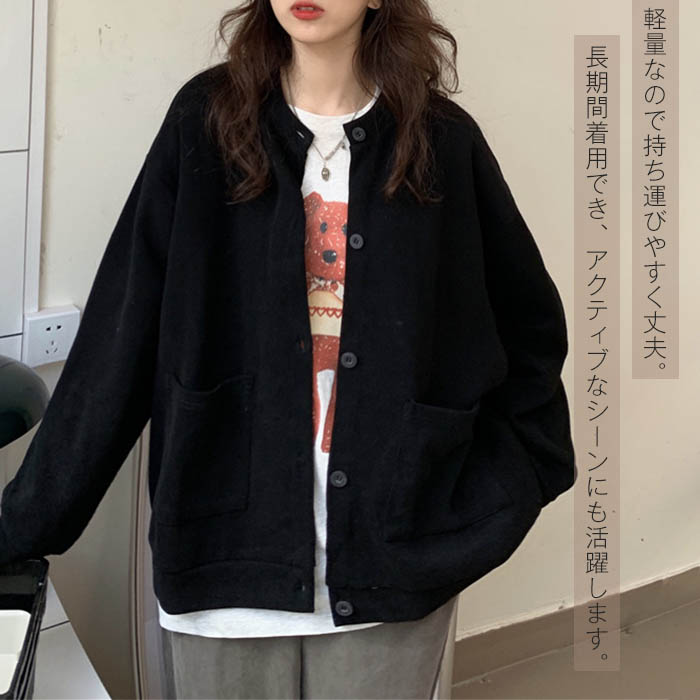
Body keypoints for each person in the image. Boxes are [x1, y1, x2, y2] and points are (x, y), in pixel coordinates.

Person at [0, 0, 577, 698]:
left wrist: (506, 484)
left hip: (394, 559)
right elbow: (120, 337)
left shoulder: (441, 141)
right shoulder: (206, 121)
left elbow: (527, 330)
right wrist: (22, 526)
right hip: (224, 550)